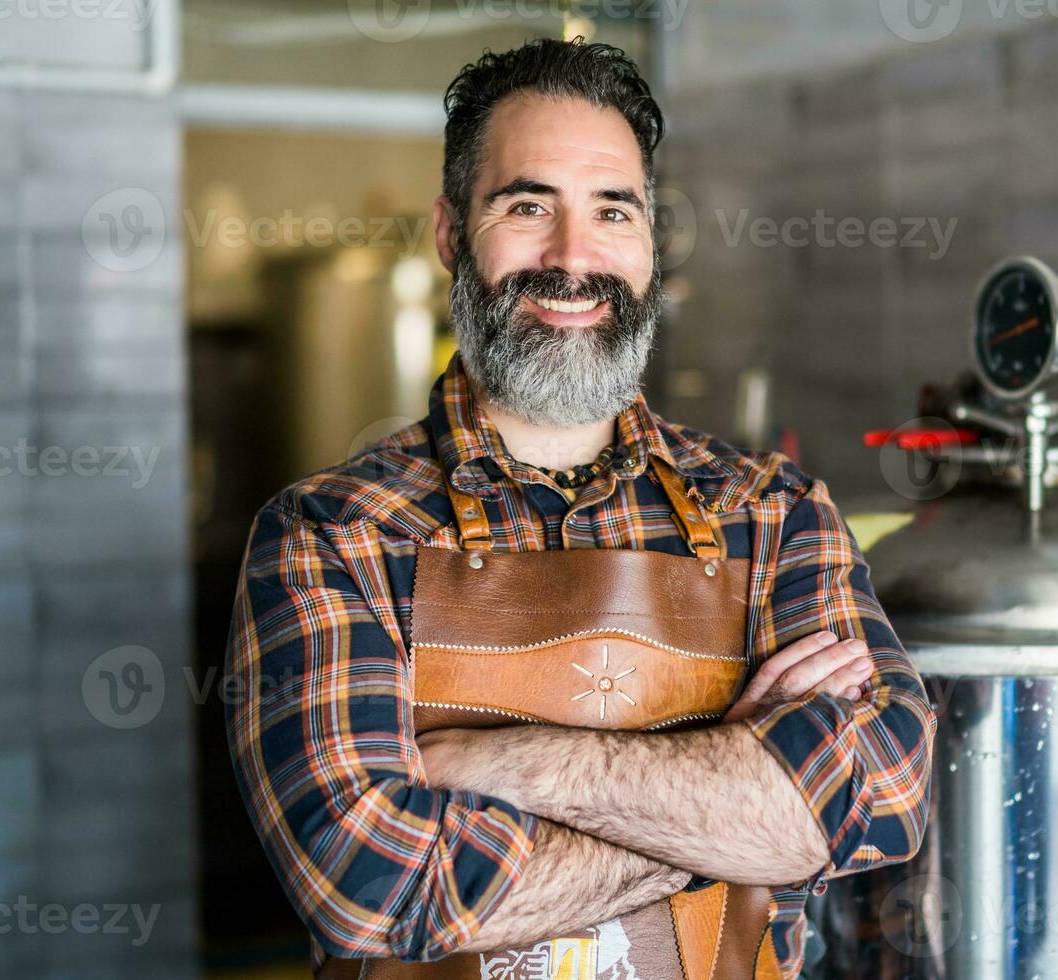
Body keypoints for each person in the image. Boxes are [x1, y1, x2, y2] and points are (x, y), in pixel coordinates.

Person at [224, 37, 935, 980]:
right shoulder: (335, 533)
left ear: (647, 242)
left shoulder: (773, 516)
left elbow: (878, 798)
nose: (573, 257)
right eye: (527, 206)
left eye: (612, 210)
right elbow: (375, 888)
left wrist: (500, 765)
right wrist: (735, 810)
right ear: (449, 233)